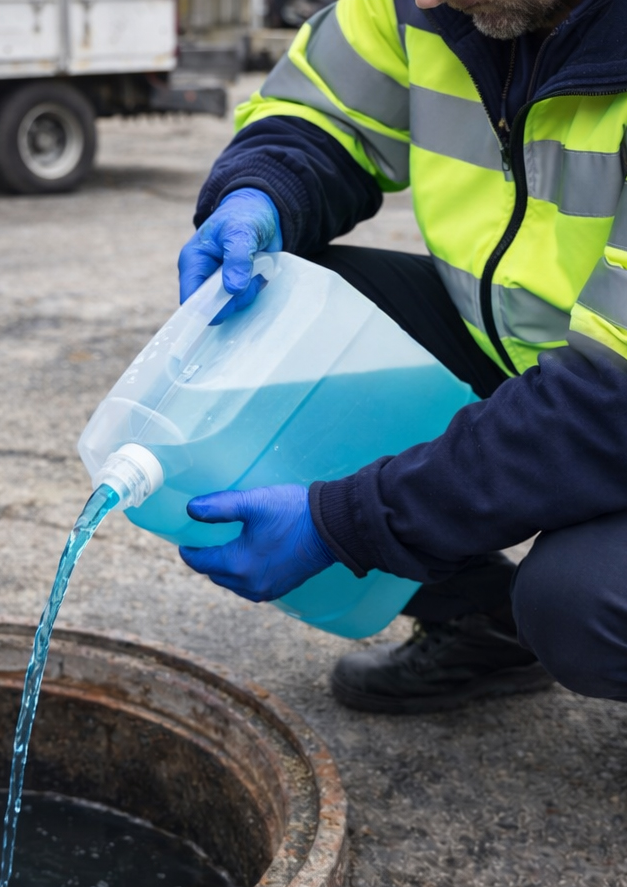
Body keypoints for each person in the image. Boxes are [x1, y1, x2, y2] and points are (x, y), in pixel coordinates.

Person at [175, 0, 627, 711]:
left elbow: (610, 406)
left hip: (611, 390)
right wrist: (261, 190)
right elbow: (325, 114)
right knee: (288, 328)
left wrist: (346, 521)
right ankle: (484, 625)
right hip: (535, 348)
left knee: (583, 601)